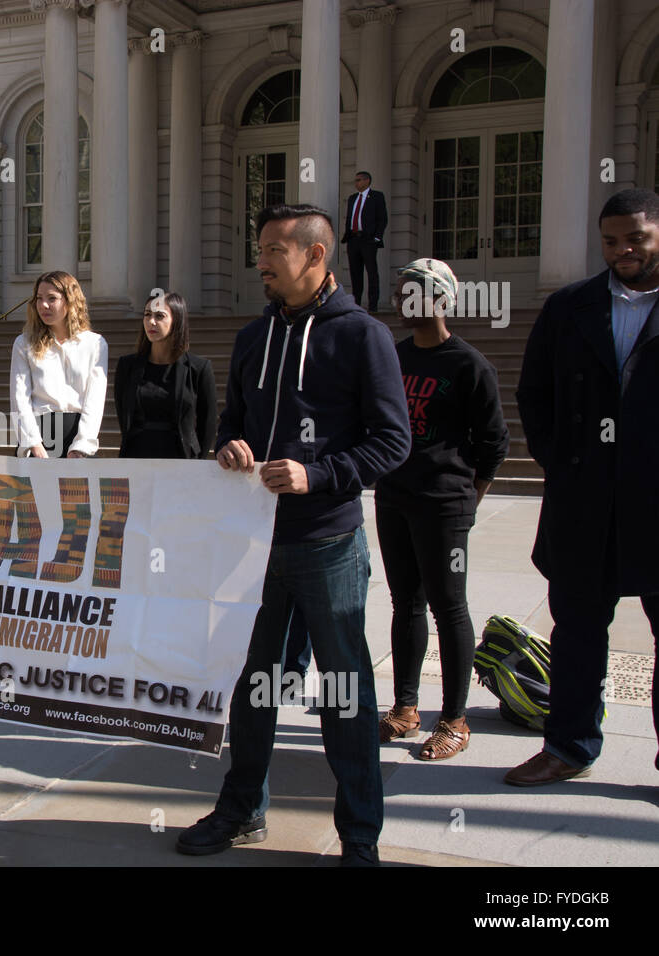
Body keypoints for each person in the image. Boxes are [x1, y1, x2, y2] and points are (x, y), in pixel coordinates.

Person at [175, 203, 410, 866]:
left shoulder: (363, 336)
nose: (262, 261)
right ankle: (243, 808)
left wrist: (319, 475)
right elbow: (232, 424)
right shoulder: (253, 337)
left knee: (344, 692)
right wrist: (230, 450)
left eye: (276, 249)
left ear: (315, 256)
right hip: (255, 545)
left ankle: (360, 836)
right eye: (261, 248)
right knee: (254, 685)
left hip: (327, 544)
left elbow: (393, 441)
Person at [509, 188, 659, 786]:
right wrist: (562, 463)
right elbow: (533, 393)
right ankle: (568, 745)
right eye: (611, 240)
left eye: (636, 239)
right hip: (583, 502)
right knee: (575, 633)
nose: (622, 250)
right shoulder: (569, 307)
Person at [376, 258, 508, 760]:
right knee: (403, 603)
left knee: (449, 607)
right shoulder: (393, 355)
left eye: (413, 293)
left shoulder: (469, 365)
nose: (402, 302)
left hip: (444, 505)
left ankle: (454, 719)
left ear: (440, 299)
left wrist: (468, 500)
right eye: (400, 292)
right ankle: (405, 709)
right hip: (394, 498)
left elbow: (494, 444)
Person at [10, 271, 108, 458]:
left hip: (78, 437)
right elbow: (19, 397)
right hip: (38, 436)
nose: (43, 305)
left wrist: (82, 445)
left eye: (52, 298)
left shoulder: (95, 344)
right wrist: (33, 443)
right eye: (39, 298)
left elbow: (95, 400)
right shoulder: (24, 343)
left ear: (70, 301)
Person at [114, 291, 216, 459]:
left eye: (159, 316)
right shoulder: (128, 366)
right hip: (136, 456)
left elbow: (208, 423)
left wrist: (199, 463)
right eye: (147, 315)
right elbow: (123, 414)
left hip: (181, 459)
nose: (151, 322)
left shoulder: (199, 368)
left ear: (176, 320)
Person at [341, 170, 388, 313]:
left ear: (367, 181)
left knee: (371, 272)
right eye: (355, 180)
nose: (356, 183)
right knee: (355, 273)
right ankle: (356, 305)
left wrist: (377, 237)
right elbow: (350, 218)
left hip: (368, 240)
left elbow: (382, 218)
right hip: (353, 239)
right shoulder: (352, 198)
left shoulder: (377, 197)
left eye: (359, 180)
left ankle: (373, 305)